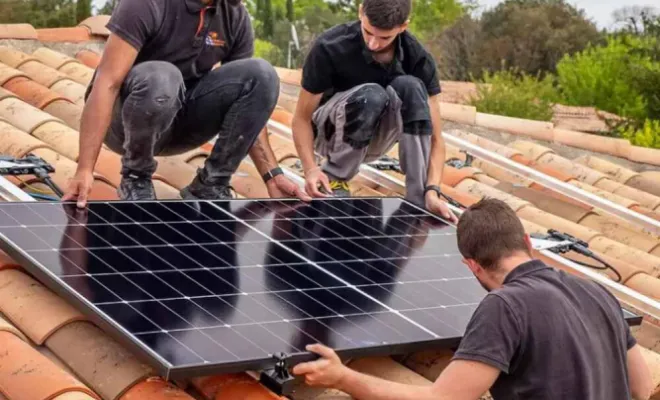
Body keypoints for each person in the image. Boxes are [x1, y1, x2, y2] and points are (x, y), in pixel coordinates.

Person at [292, 198, 654, 400]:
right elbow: (640, 387)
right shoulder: (598, 292)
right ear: (527, 242)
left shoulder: (505, 306)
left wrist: (343, 378)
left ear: (471, 266)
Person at [62, 0, 309, 207]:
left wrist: (272, 175)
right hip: (124, 124)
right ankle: (135, 178)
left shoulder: (234, 15)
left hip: (180, 124)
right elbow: (106, 84)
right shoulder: (148, 4)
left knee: (261, 74)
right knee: (163, 77)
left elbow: (249, 106)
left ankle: (211, 184)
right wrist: (84, 169)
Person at [291, 0, 456, 223]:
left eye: (384, 37)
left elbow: (436, 137)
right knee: (372, 94)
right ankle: (336, 176)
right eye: (368, 32)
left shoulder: (418, 58)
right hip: (329, 134)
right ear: (360, 12)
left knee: (412, 86)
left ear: (403, 26)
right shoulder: (330, 46)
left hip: (378, 137)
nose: (373, 43)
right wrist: (311, 169)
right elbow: (301, 119)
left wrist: (433, 190)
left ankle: (417, 197)